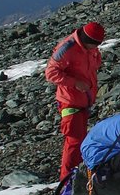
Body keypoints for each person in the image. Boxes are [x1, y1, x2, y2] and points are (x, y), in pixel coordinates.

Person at [45, 21, 105, 182]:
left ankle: (78, 176)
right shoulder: (67, 48)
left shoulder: (90, 46)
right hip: (70, 102)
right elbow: (50, 73)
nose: (95, 48)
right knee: (74, 142)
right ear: (87, 40)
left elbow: (94, 63)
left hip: (84, 101)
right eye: (94, 45)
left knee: (81, 140)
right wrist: (75, 83)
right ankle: (67, 182)